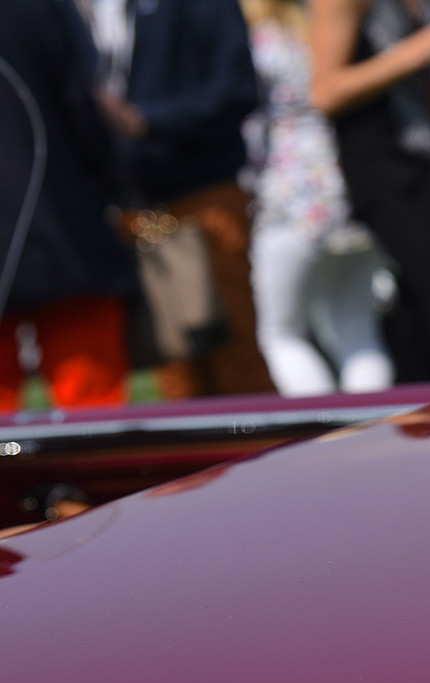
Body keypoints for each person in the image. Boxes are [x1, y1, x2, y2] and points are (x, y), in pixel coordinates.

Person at [84, 0, 278, 397]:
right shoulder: (91, 12)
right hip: (136, 208)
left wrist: (146, 121)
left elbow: (236, 89)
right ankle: (195, 461)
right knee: (175, 366)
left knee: (236, 351)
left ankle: (264, 455)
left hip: (202, 194)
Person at [308, 0, 430, 382]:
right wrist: (422, 49)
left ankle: (420, 428)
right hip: (386, 176)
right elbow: (325, 92)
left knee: (421, 324)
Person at [243, 0, 395, 396]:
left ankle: (325, 439)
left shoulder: (258, 39)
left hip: (291, 193)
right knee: (356, 327)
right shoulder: (318, 27)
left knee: (280, 334)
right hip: (350, 184)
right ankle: (370, 440)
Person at [0, 0, 137, 411]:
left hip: (60, 233)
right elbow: (82, 106)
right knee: (93, 415)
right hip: (64, 224)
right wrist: (114, 184)